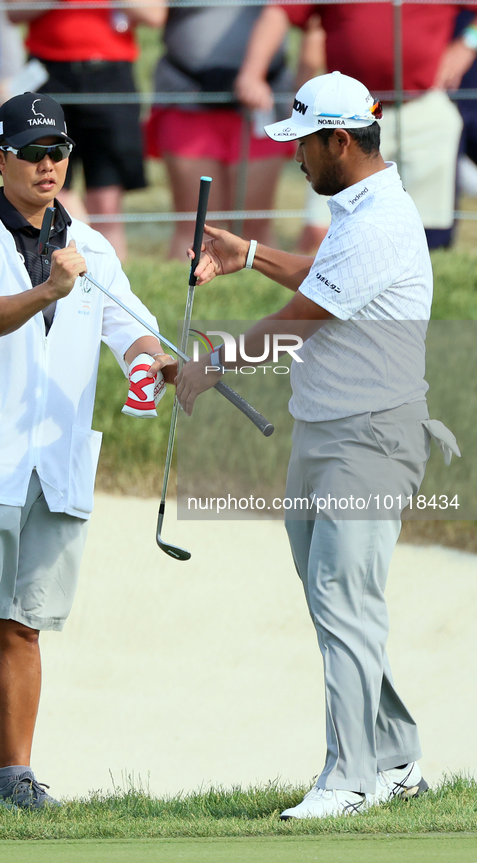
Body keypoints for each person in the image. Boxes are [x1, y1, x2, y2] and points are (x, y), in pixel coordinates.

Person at [175, 71, 460, 819]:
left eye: (303, 144)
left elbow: (302, 317)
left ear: (338, 140)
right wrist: (253, 253)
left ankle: (348, 778)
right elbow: (328, 279)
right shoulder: (361, 211)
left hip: (368, 438)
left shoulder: (377, 220)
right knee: (340, 602)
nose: (295, 158)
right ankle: (395, 758)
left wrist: (211, 368)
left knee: (341, 598)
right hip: (328, 431)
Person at [0, 91, 175, 807]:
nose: (47, 164)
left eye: (58, 151)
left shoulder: (91, 245)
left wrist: (152, 363)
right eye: (32, 152)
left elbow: (134, 329)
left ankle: (16, 775)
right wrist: (48, 290)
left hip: (54, 462)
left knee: (24, 625)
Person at [234, 0, 477, 252]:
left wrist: (467, 44)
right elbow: (280, 10)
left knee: (425, 234)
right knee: (321, 232)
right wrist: (252, 72)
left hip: (423, 107)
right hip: (346, 115)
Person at [146, 0, 324, 260]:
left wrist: (301, 90)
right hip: (187, 97)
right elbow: (145, 10)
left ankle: (262, 298)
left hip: (262, 102)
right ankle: (185, 300)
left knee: (254, 228)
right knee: (196, 228)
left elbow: (314, 22)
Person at [3, 0, 168, 261]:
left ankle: (109, 280)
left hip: (110, 75)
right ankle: (72, 267)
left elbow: (154, 13)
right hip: (49, 75)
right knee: (51, 186)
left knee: (107, 199)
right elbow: (15, 10)